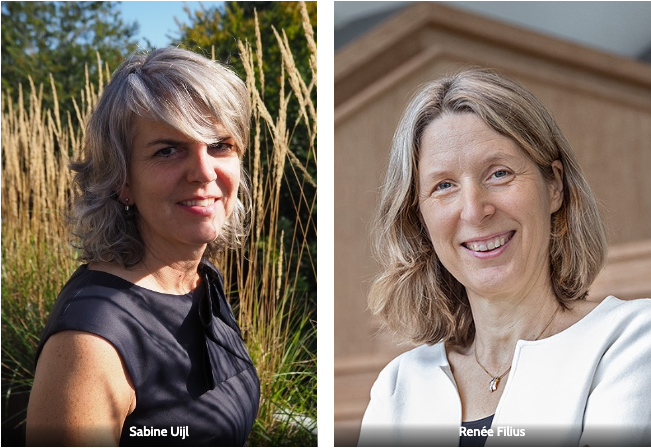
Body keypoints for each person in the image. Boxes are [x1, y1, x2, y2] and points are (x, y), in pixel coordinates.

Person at [358, 69, 651, 447]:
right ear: (419, 216)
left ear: (555, 185)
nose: (474, 210)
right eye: (443, 185)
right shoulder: (399, 386)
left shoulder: (629, 344)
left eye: (498, 173)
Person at [26, 47, 259, 446]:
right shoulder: (91, 341)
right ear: (122, 180)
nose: (204, 172)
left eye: (220, 145)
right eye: (168, 150)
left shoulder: (199, 281)